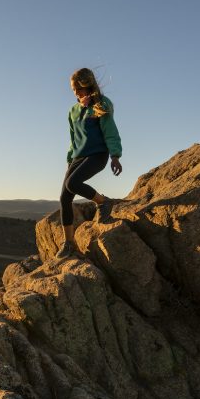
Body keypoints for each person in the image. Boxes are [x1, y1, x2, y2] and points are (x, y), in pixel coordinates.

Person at [57, 67, 123, 258]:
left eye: (79, 89)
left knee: (73, 184)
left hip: (97, 155)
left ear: (88, 86)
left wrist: (115, 156)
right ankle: (69, 244)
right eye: (73, 90)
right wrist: (70, 159)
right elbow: (73, 138)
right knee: (64, 198)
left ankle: (103, 202)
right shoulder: (73, 110)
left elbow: (111, 131)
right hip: (78, 157)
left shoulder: (101, 105)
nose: (76, 93)